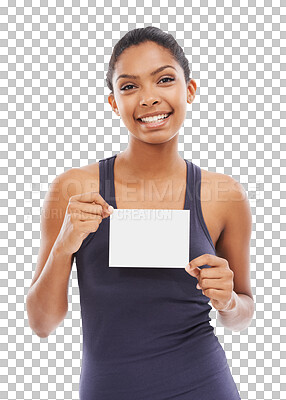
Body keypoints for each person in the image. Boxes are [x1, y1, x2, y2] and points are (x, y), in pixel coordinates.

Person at [26, 26, 255, 399]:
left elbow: (241, 315)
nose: (148, 98)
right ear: (115, 102)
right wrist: (65, 245)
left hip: (205, 386)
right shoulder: (73, 189)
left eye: (164, 79)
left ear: (189, 90)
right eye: (129, 86)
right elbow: (41, 324)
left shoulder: (224, 195)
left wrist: (228, 300)